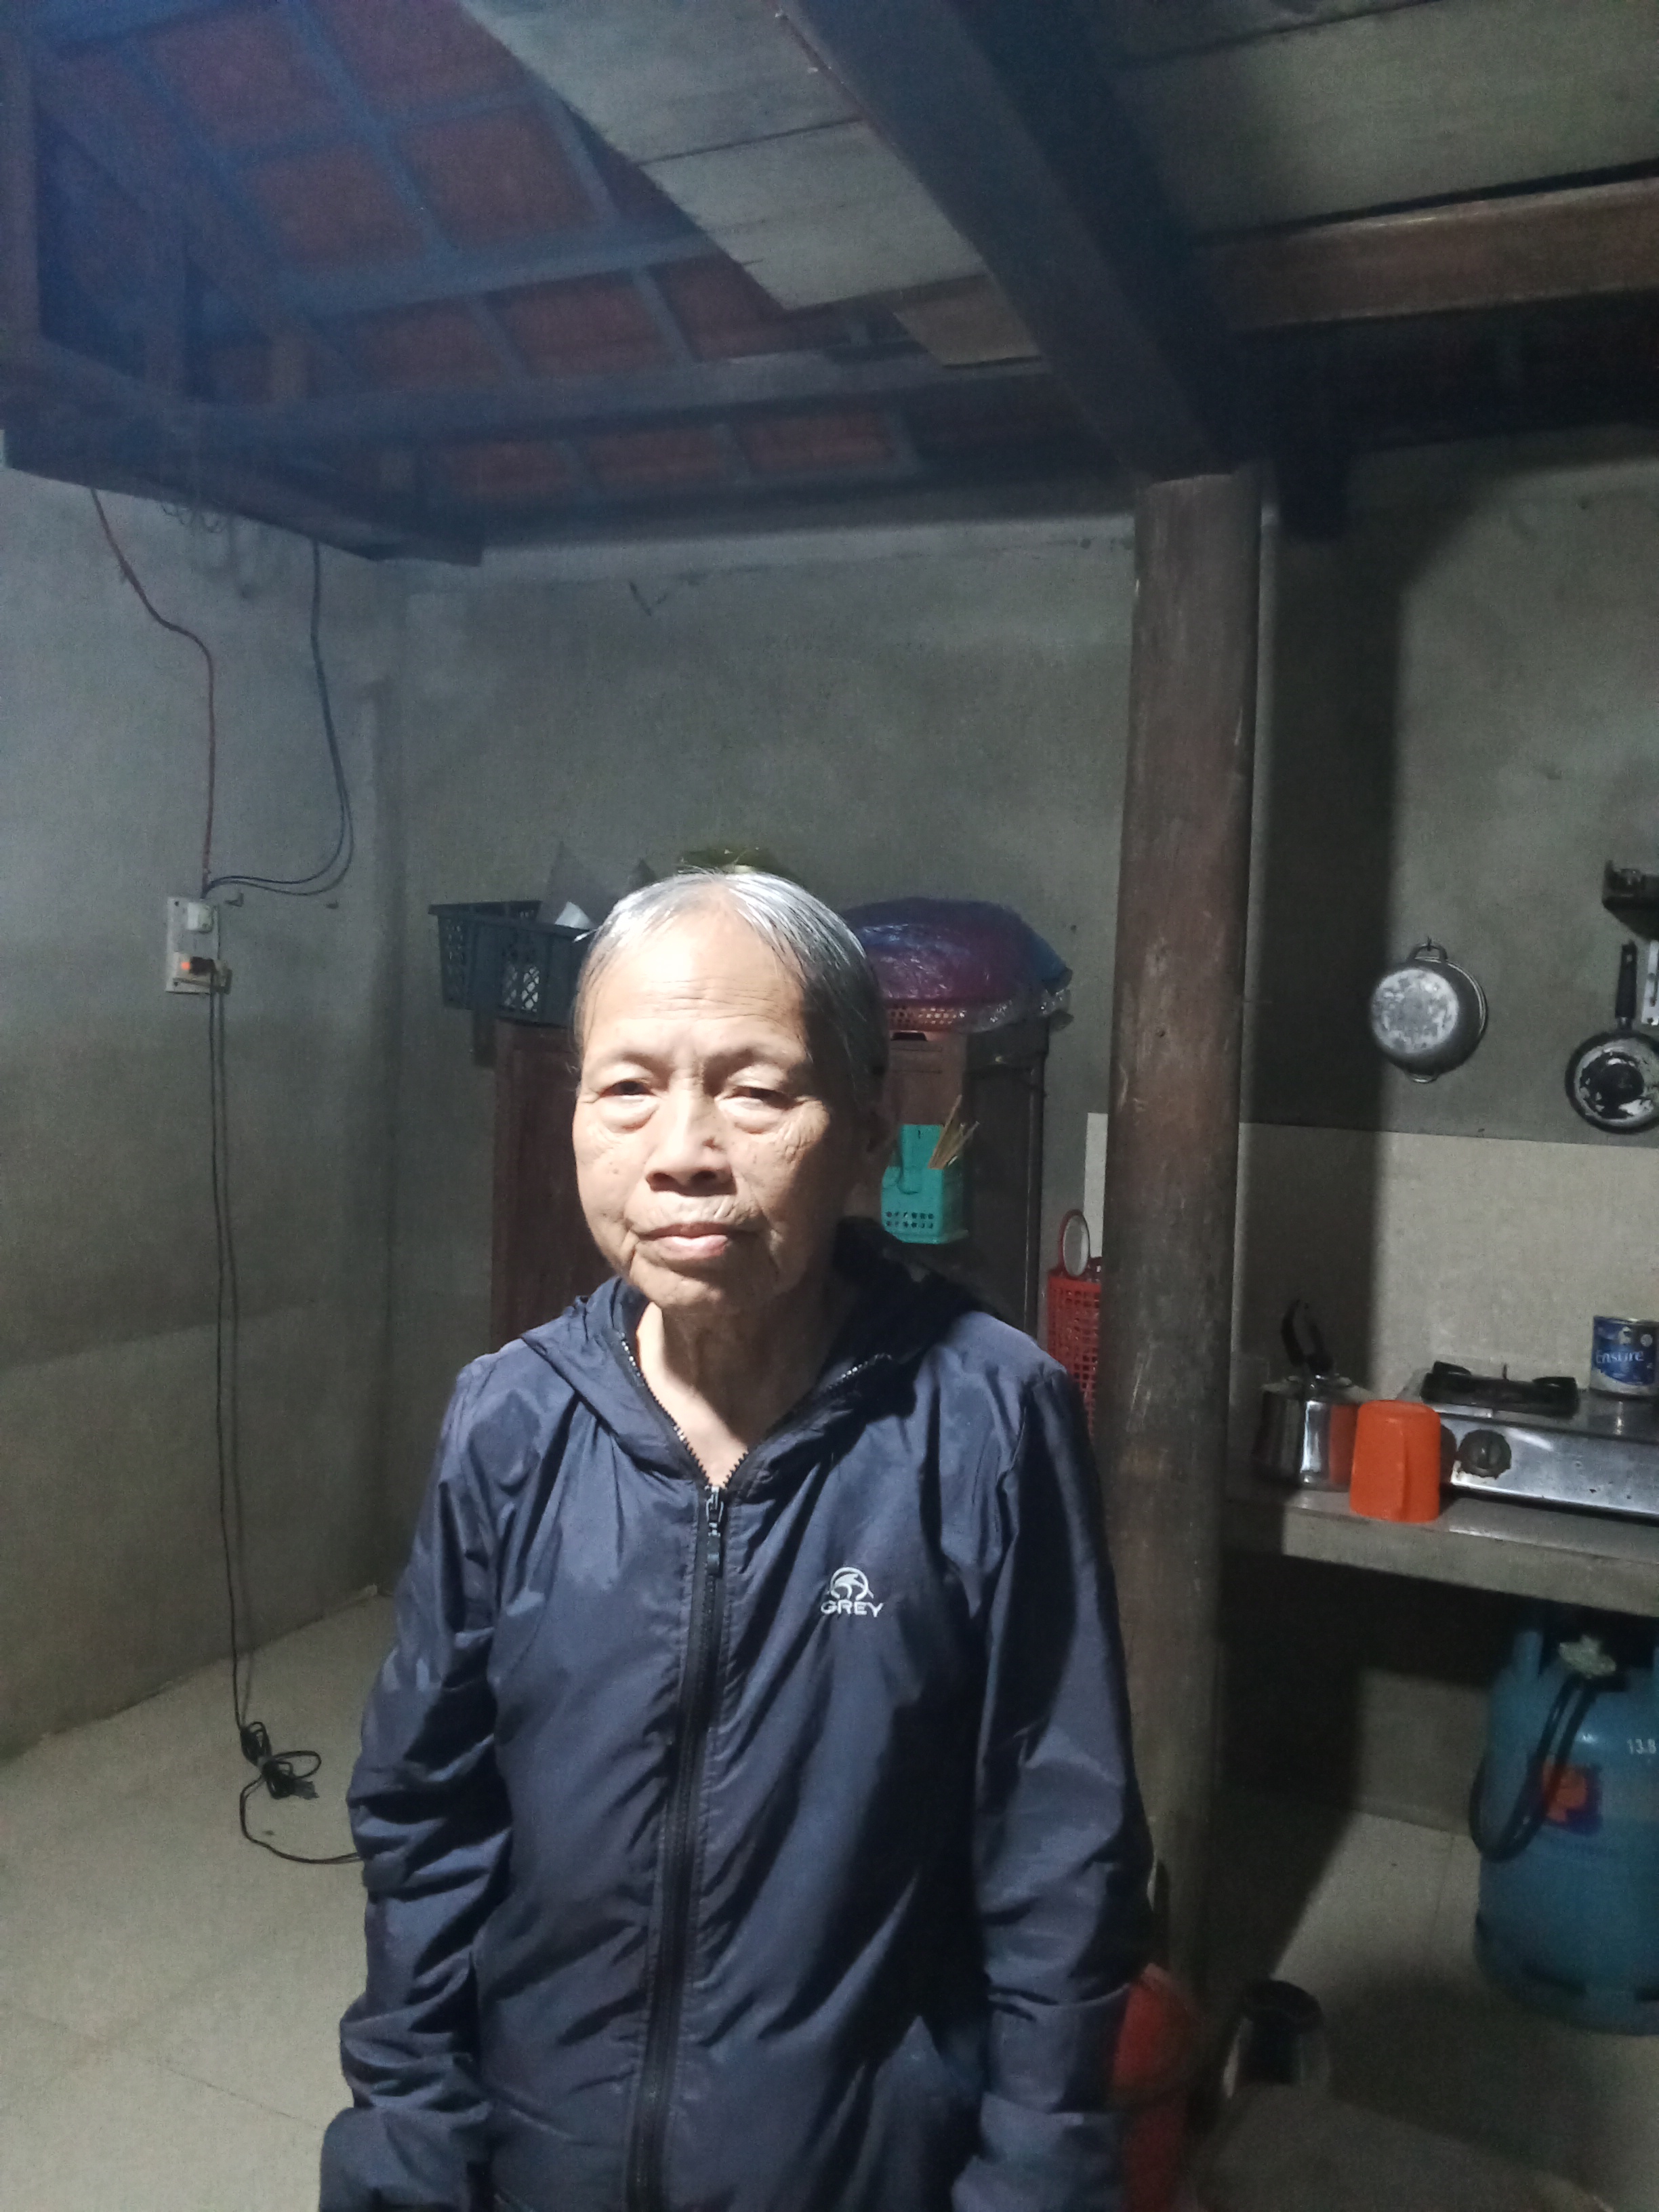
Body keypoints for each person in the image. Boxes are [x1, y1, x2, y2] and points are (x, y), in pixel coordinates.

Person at [322, 871, 1149, 2212]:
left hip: (856, 2168)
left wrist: (1037, 2175)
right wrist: (408, 2143)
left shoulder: (990, 1419)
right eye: (627, 1088)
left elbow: (1062, 1852)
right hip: (542, 2160)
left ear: (865, 1136)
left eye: (757, 1092)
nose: (683, 1152)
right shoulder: (509, 1418)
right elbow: (426, 1817)